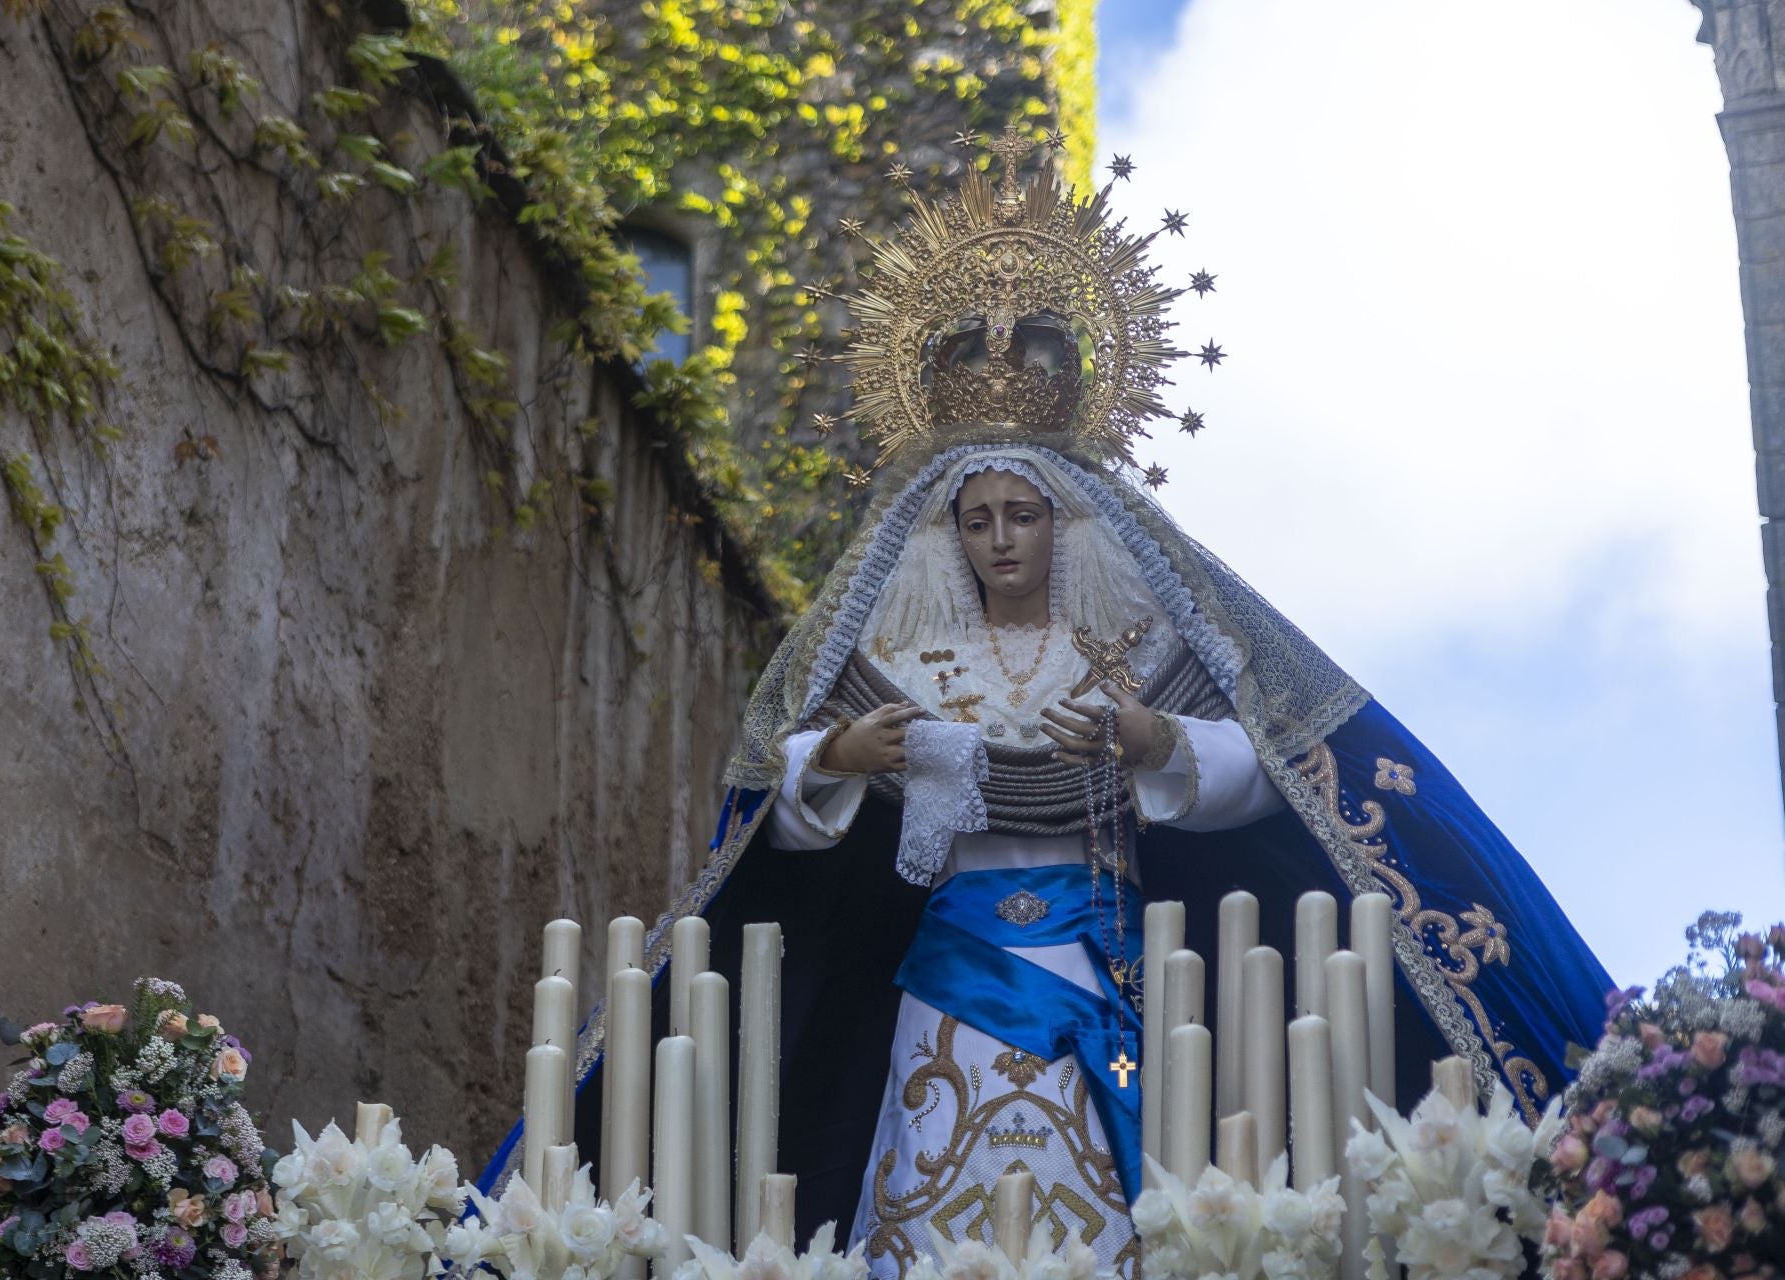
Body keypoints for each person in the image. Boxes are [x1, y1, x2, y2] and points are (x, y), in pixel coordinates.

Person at [476, 136, 1613, 1280]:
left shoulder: (1146, 642)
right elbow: (778, 814)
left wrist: (1156, 738)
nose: (1003, 539)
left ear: (1063, 520)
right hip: (951, 956)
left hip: (1104, 952)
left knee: (1108, 1177)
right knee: (933, 1170)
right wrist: (836, 756)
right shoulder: (900, 650)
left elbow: (1277, 762)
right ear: (949, 530)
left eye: (1025, 514)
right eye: (979, 519)